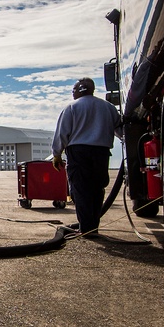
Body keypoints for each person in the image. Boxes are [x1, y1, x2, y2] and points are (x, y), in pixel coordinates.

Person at [52, 77, 121, 236]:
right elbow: (120, 130)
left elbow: (62, 133)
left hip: (78, 153)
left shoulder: (71, 108)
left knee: (80, 190)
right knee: (97, 190)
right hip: (101, 153)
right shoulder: (108, 108)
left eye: (73, 90)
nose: (73, 93)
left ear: (78, 90)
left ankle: (86, 229)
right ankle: (92, 227)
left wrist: (57, 154)